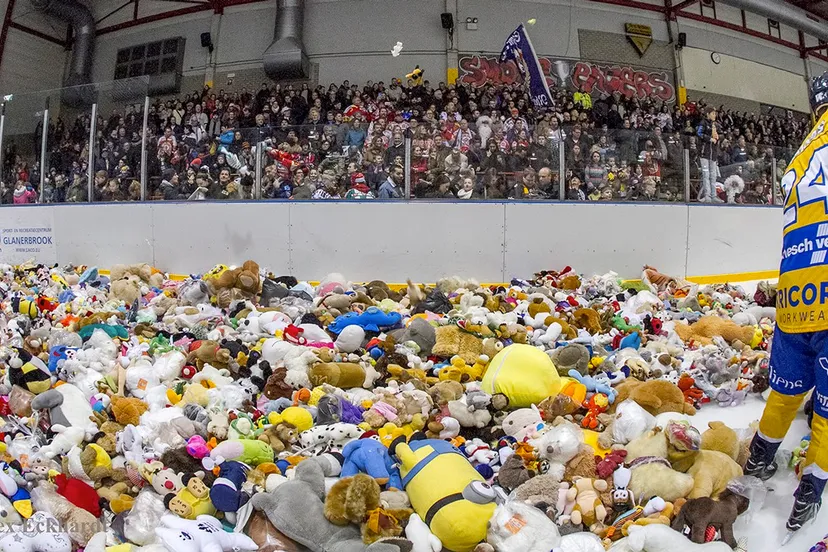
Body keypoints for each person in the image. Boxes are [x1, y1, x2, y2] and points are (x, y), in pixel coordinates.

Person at [744, 71, 828, 542]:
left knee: (785, 391)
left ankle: (759, 455)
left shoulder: (799, 154)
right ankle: (811, 490)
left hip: (795, 295)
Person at [697, 107, 721, 202]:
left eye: (715, 113)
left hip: (713, 154)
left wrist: (718, 137)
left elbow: (720, 135)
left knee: (713, 175)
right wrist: (708, 138)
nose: (714, 115)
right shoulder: (703, 123)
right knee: (706, 174)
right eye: (713, 113)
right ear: (708, 114)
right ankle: (707, 195)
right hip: (704, 153)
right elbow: (699, 133)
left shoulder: (716, 125)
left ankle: (713, 195)